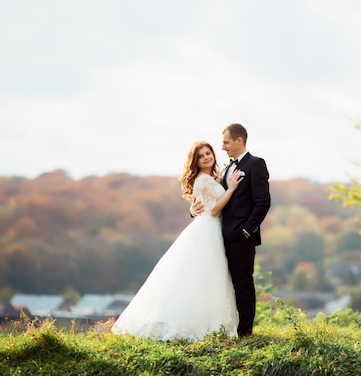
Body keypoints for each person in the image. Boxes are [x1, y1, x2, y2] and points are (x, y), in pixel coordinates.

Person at [111, 141, 245, 341]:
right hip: (207, 231)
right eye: (201, 156)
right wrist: (232, 189)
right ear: (195, 162)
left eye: (209, 153)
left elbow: (205, 204)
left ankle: (212, 326)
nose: (207, 157)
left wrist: (196, 208)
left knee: (209, 277)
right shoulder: (202, 180)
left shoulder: (212, 177)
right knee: (201, 276)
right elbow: (215, 209)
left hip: (212, 229)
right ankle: (195, 326)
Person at [191, 123, 271, 337]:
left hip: (241, 237)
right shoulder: (226, 168)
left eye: (226, 142)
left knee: (243, 283)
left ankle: (245, 333)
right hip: (219, 236)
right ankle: (227, 328)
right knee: (223, 283)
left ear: (239, 140)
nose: (223, 147)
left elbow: (262, 202)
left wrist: (247, 230)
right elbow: (212, 200)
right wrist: (193, 210)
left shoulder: (256, 164)